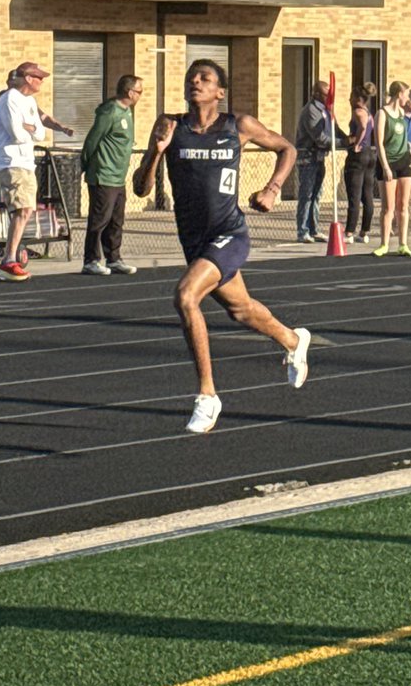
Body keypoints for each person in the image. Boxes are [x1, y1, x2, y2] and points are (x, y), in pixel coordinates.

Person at [133, 59, 310, 434]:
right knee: (241, 309)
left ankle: (207, 395)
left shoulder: (237, 125)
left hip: (229, 232)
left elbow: (287, 149)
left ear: (220, 92)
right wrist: (157, 151)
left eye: (205, 78)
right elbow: (140, 189)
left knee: (185, 297)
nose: (195, 82)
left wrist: (272, 188)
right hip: (193, 238)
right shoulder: (170, 125)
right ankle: (293, 340)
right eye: (191, 78)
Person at [0, 62, 52, 282]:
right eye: (39, 77)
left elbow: (41, 134)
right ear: (28, 78)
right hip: (12, 161)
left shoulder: (30, 101)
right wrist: (30, 128)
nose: (41, 81)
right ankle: (8, 260)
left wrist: (31, 127)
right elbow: (17, 133)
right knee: (22, 209)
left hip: (27, 162)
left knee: (25, 210)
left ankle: (11, 257)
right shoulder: (10, 99)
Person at [80, 75, 143, 276]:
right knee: (100, 220)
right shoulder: (110, 111)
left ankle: (114, 258)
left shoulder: (127, 112)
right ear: (130, 92)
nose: (141, 95)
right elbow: (92, 140)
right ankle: (90, 260)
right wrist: (86, 165)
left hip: (118, 176)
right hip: (103, 174)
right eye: (140, 91)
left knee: (117, 221)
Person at [294, 81, 345, 243]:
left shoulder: (326, 110)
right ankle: (303, 231)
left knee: (316, 195)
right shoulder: (311, 110)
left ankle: (314, 229)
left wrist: (350, 139)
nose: (329, 97)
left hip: (320, 157)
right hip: (308, 157)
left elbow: (335, 130)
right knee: (306, 194)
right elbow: (321, 138)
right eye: (325, 94)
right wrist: (343, 143)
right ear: (316, 94)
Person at [373, 81, 411, 257]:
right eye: (406, 94)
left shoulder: (402, 113)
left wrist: (409, 146)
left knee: (403, 205)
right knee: (388, 207)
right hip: (388, 162)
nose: (407, 98)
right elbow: (379, 143)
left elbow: (402, 136)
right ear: (399, 94)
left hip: (404, 161)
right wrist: (385, 167)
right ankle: (384, 244)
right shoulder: (382, 114)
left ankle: (403, 243)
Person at [343, 82, 377, 244]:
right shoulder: (369, 113)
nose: (349, 100)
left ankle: (349, 232)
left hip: (359, 155)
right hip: (370, 155)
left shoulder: (358, 112)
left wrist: (357, 143)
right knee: (367, 194)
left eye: (351, 97)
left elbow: (363, 127)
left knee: (354, 195)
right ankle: (364, 232)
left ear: (358, 99)